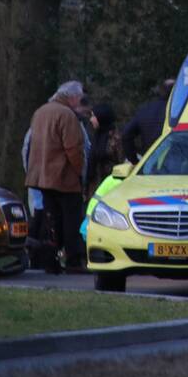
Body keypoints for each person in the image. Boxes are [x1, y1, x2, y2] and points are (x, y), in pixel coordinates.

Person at [25, 80, 88, 273]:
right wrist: (80, 172)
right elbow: (73, 149)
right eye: (79, 98)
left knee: (51, 220)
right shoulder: (67, 115)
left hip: (42, 178)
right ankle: (74, 261)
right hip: (64, 178)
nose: (80, 102)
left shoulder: (40, 112)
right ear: (73, 97)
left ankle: (49, 261)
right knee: (71, 220)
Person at [121, 78, 175, 162]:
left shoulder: (145, 110)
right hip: (177, 164)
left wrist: (134, 160)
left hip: (150, 165)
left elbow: (126, 134)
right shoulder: (179, 111)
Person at [86, 103, 122, 198]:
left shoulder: (115, 138)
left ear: (102, 117)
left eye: (94, 116)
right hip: (95, 188)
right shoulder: (97, 136)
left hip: (110, 188)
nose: (91, 119)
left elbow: (121, 162)